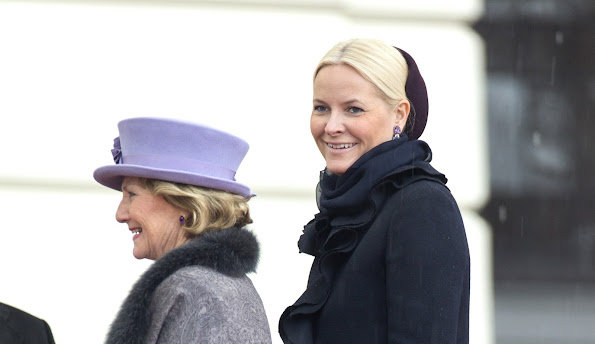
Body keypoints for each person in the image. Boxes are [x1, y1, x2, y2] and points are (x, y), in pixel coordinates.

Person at [278, 38, 470, 343]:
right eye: (321, 108)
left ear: (399, 114)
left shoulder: (422, 205)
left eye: (353, 109)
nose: (331, 126)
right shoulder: (348, 208)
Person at [93, 117, 271, 344]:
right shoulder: (223, 284)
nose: (120, 214)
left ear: (185, 203)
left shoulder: (193, 290)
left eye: (132, 195)